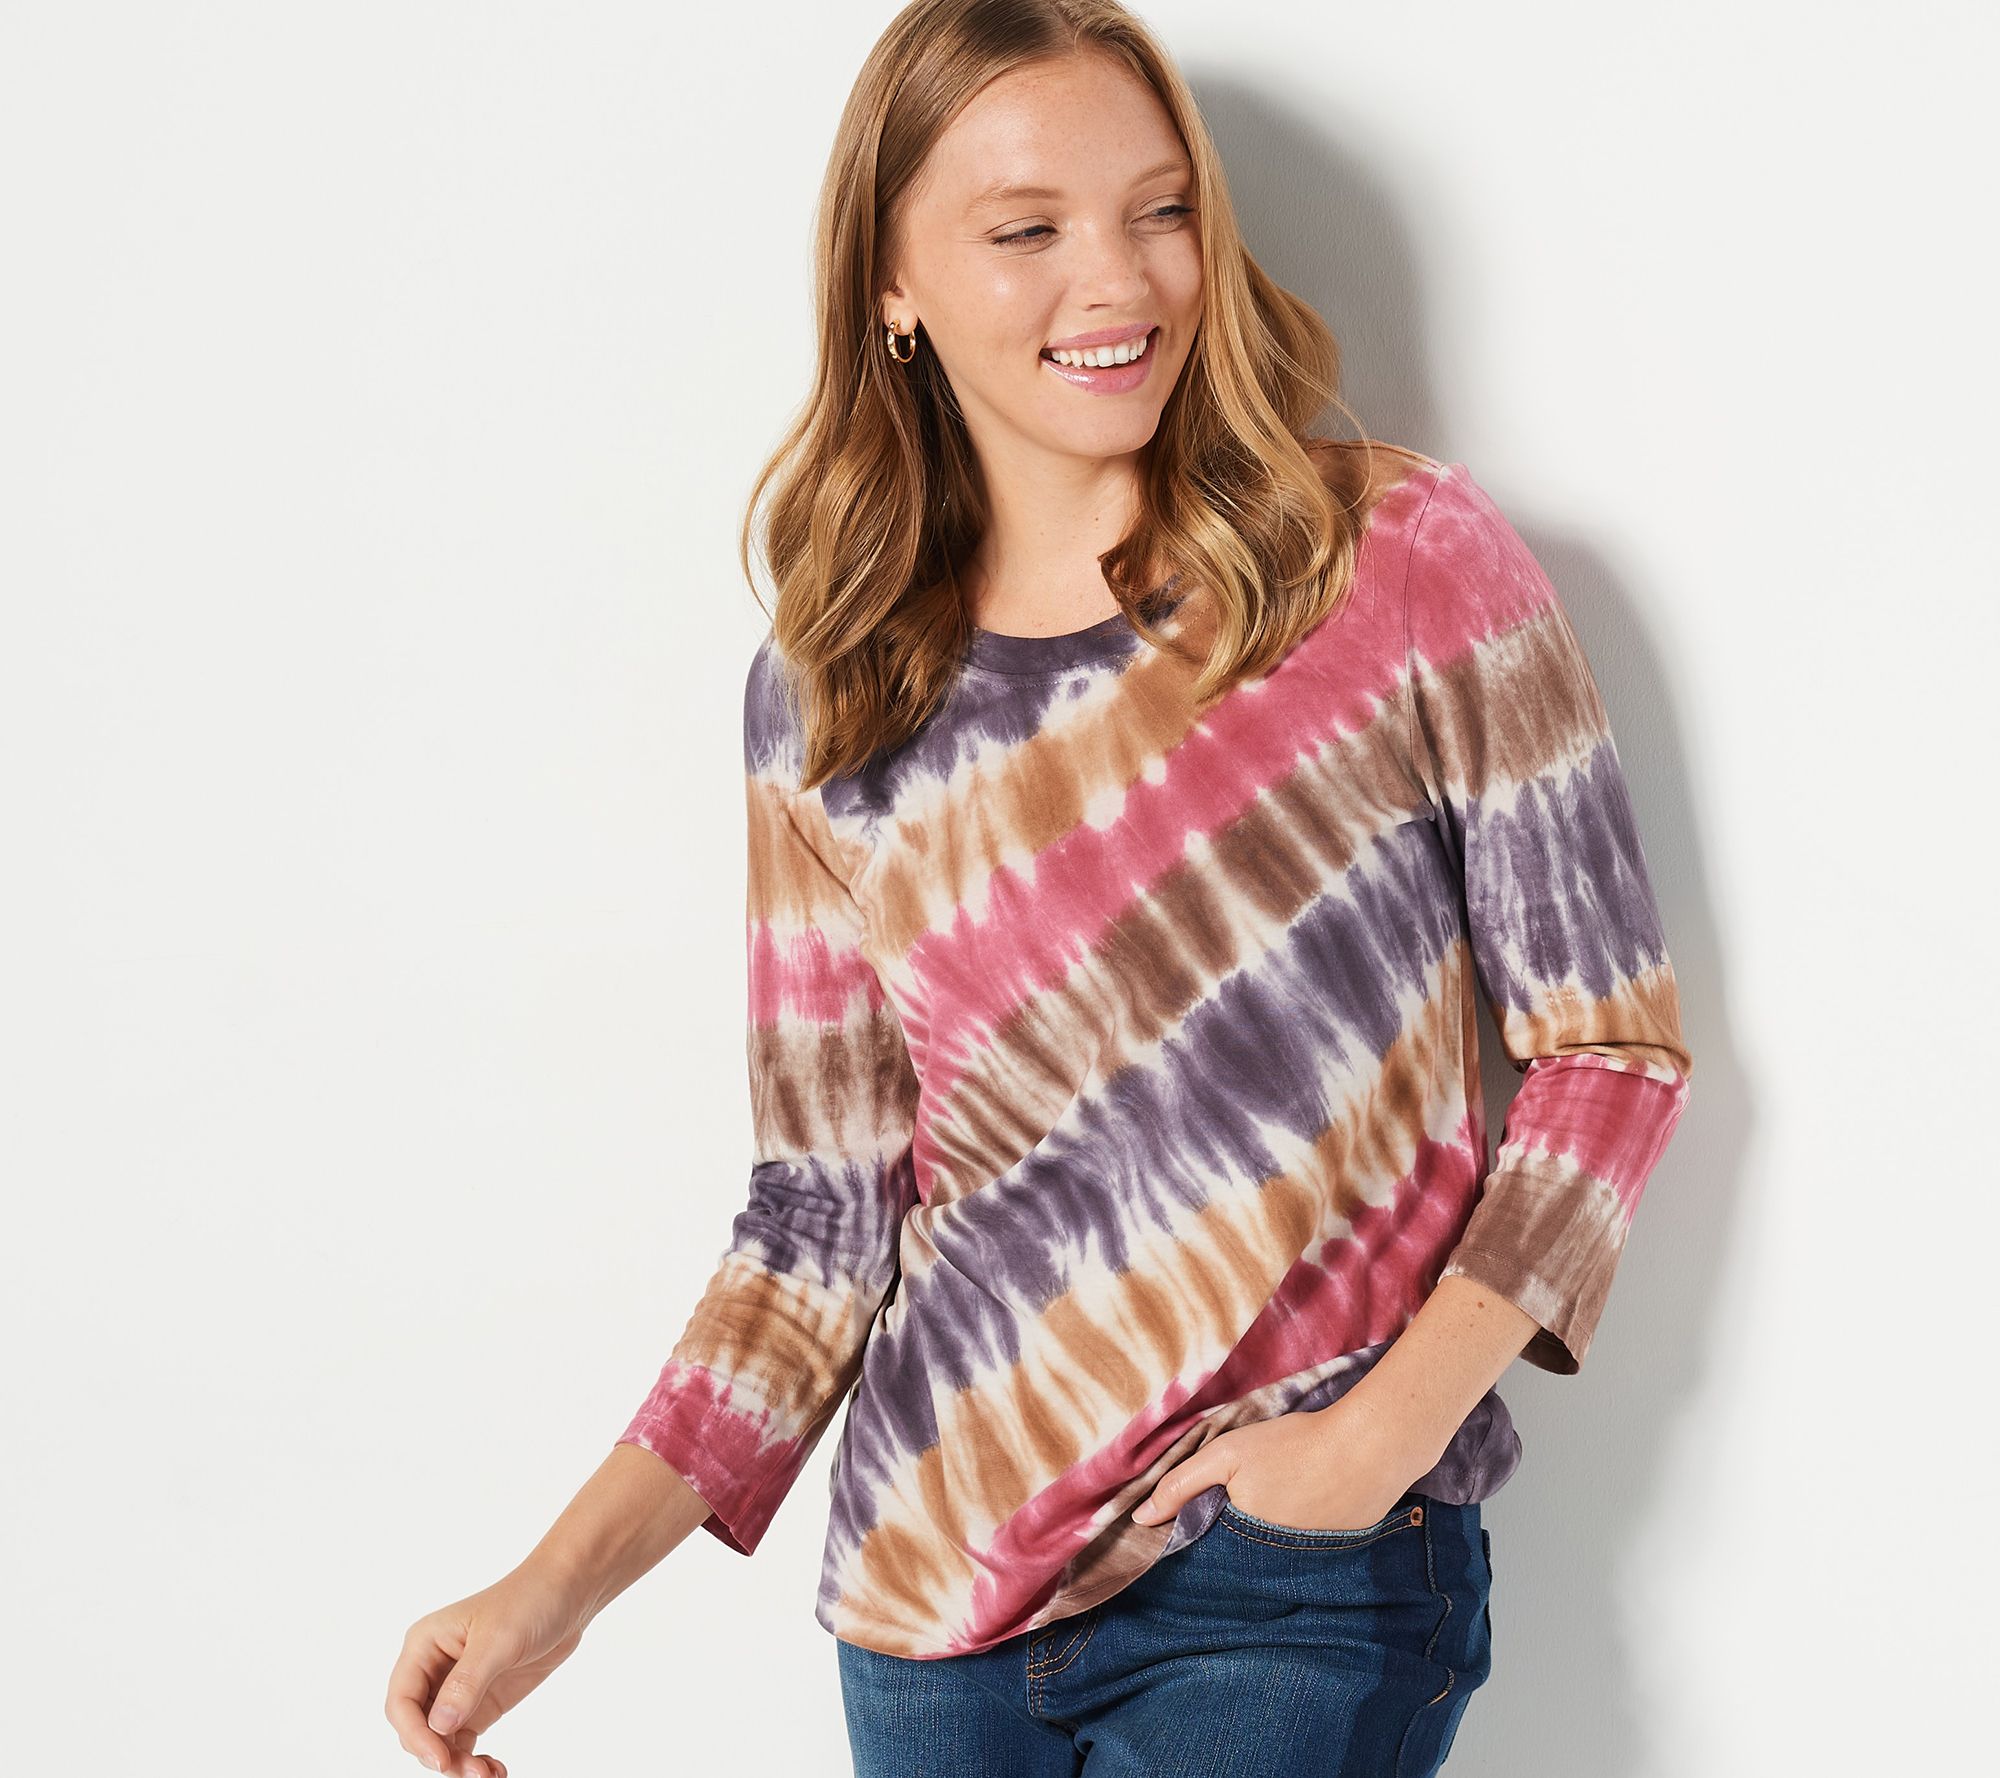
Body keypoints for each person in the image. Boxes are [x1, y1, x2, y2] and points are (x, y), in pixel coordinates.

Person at [385, 4, 1695, 1774]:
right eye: (1027, 228)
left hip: (1290, 1585)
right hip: (929, 1609)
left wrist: (1372, 1446)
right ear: (891, 286)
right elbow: (821, 1215)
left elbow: (1609, 1050)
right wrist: (555, 1589)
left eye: (1161, 210)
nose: (1120, 279)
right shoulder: (835, 695)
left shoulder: (1394, 563)